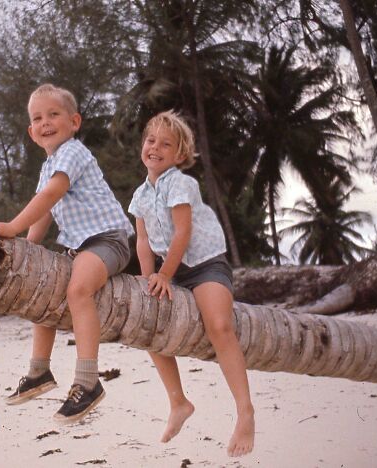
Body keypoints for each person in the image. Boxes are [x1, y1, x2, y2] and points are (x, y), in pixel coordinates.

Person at [0, 83, 133, 423]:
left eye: (54, 114)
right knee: (44, 290)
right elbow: (44, 216)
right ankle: (39, 372)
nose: (46, 122)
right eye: (38, 118)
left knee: (78, 290)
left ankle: (89, 381)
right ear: (32, 132)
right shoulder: (48, 166)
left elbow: (51, 197)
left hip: (109, 239)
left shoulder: (73, 153)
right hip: (81, 246)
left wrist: (12, 227)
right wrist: (26, 253)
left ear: (74, 121)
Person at [127, 110, 255, 457]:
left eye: (166, 144)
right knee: (147, 323)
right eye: (151, 140)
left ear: (179, 155)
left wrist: (165, 274)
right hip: (171, 268)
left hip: (203, 264)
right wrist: (146, 277)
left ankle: (245, 411)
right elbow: (142, 240)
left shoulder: (181, 183)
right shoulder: (140, 194)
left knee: (219, 325)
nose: (155, 147)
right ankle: (178, 401)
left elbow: (183, 231)